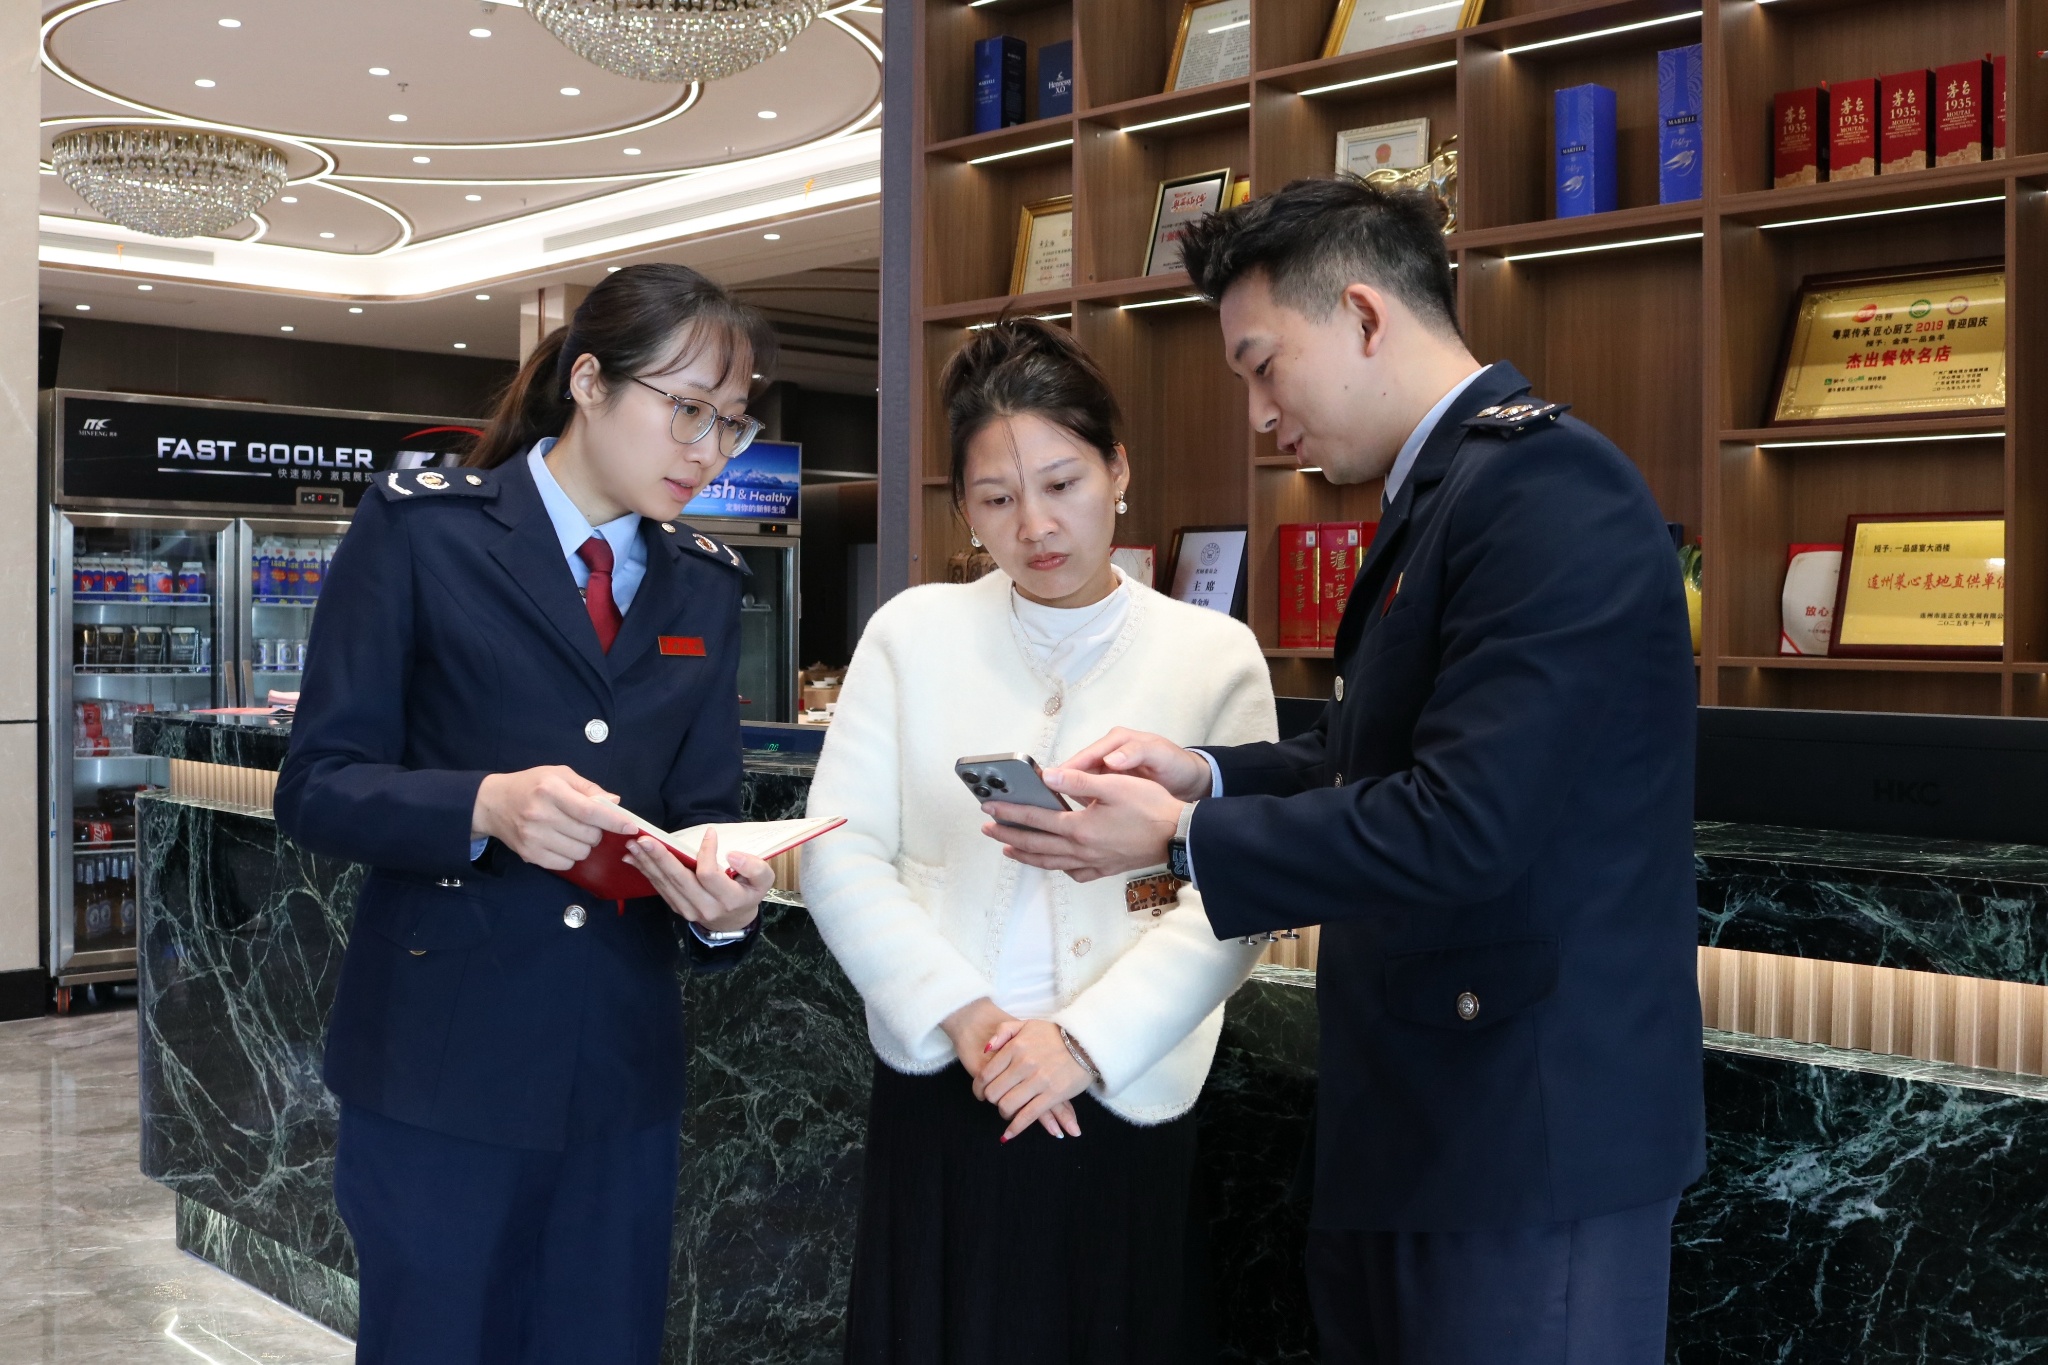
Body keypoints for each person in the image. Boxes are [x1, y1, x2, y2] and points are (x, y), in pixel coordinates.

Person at [983, 177, 1705, 1365]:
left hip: (1527, 1136)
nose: (1260, 414)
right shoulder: (1449, 487)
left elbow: (1463, 820)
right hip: (1426, 1119)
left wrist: (1174, 839)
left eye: (1264, 367)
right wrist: (1203, 776)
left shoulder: (1542, 487)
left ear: (1364, 315)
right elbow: (1374, 751)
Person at [274, 264, 780, 1365]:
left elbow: (705, 813)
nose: (707, 449)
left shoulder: (703, 582)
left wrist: (724, 910)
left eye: (731, 424)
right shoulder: (425, 533)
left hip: (619, 1074)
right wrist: (482, 805)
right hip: (439, 1062)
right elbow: (316, 782)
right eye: (687, 409)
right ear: (589, 382)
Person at [800, 318, 1277, 1365]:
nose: (1035, 525)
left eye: (1063, 483)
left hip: (1119, 1088)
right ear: (964, 509)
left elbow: (1235, 894)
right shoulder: (910, 634)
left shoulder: (1214, 655)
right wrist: (966, 1018)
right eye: (996, 499)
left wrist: (1084, 1042)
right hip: (944, 1079)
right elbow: (838, 847)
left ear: (1118, 471)